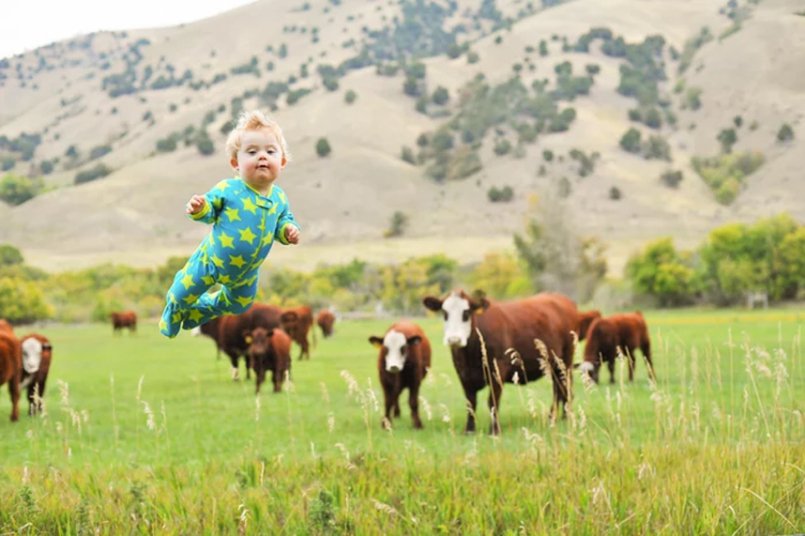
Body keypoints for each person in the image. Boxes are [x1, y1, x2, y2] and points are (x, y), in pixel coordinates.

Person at [159, 110, 300, 338]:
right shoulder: (229, 189)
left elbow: (284, 222)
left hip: (246, 273)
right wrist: (200, 208)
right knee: (182, 292)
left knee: (239, 305)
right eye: (252, 152)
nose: (262, 156)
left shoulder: (279, 198)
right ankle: (174, 309)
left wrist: (289, 232)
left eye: (270, 151)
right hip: (211, 262)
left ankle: (203, 309)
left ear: (282, 162)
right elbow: (209, 208)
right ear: (236, 163)